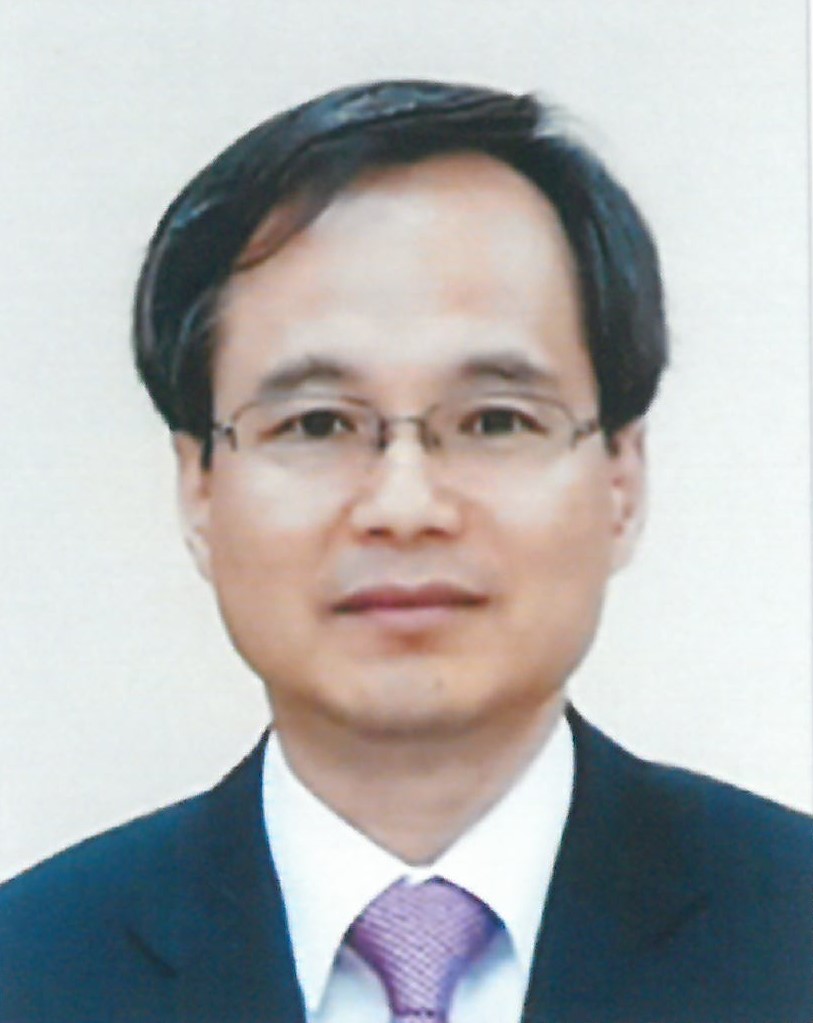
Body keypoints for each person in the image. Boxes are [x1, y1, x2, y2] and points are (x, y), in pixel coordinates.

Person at [1, 79, 810, 1023]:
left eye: (496, 420)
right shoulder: (31, 970)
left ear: (621, 479)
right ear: (200, 488)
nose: (404, 505)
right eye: (315, 424)